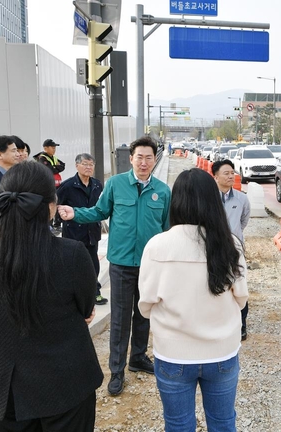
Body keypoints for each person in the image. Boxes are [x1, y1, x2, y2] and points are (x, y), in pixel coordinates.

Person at [0, 161, 102, 430]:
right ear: (51, 205)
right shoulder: (72, 253)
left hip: (6, 384)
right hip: (66, 382)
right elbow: (86, 308)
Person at [58, 136, 171, 397]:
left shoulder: (163, 191)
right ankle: (117, 370)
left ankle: (138, 358)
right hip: (120, 263)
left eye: (149, 157)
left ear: (155, 160)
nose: (144, 162)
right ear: (130, 159)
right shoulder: (116, 184)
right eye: (139, 157)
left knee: (144, 314)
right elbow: (99, 212)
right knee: (120, 320)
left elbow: (167, 230)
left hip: (149, 265)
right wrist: (75, 213)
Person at [138, 168, 248, 432]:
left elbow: (145, 305)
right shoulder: (229, 244)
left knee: (178, 425)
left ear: (176, 202)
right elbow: (241, 299)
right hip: (221, 351)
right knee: (222, 423)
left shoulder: (157, 245)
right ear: (212, 201)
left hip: (173, 354)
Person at [57, 153, 107, 306]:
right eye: (85, 164)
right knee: (73, 264)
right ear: (77, 165)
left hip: (92, 231)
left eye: (91, 164)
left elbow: (103, 206)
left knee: (93, 263)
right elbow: (57, 205)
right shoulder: (67, 186)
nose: (88, 167)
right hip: (73, 233)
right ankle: (72, 294)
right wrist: (60, 220)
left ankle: (94, 292)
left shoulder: (98, 185)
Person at [212, 159, 251, 341]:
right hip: (212, 247)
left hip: (234, 249)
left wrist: (234, 237)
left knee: (239, 286)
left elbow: (243, 221)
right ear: (216, 176)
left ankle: (241, 325)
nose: (230, 176)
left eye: (232, 173)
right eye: (226, 173)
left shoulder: (242, 198)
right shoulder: (208, 199)